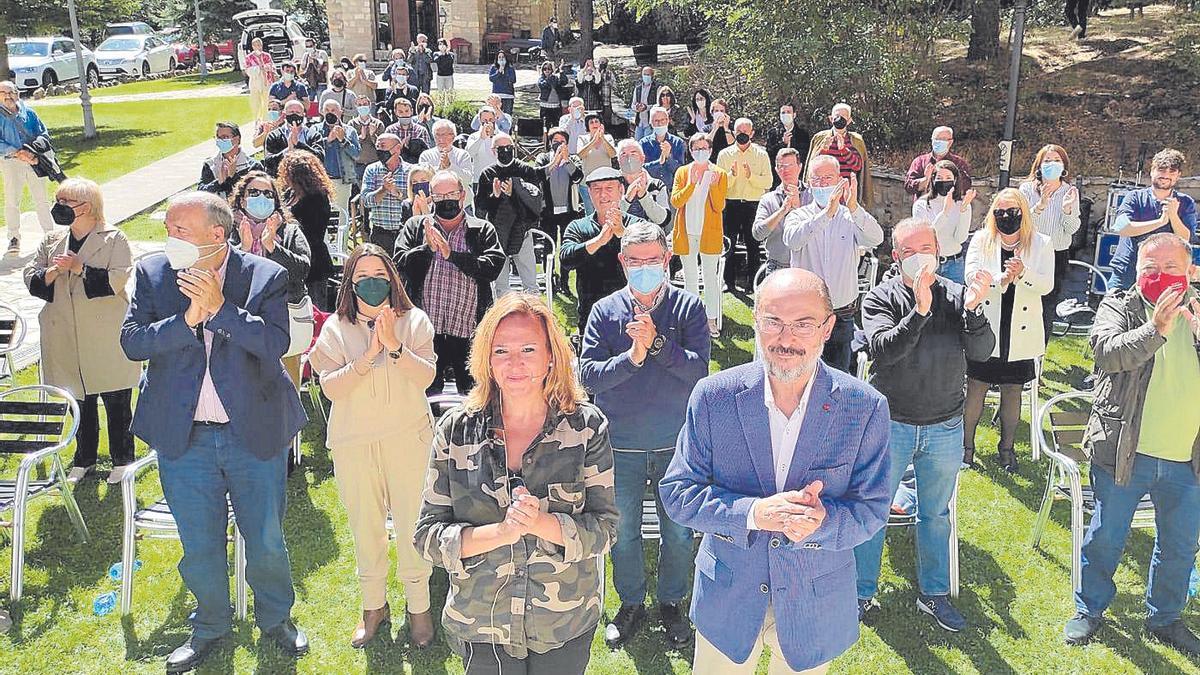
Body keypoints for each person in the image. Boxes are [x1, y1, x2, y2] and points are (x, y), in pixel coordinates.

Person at [660, 268, 892, 675]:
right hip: (728, 601)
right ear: (755, 322)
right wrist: (752, 513)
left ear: (828, 328)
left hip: (813, 604)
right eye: (773, 321)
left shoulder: (864, 407)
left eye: (803, 324)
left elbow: (872, 510)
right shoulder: (713, 398)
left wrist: (823, 521)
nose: (786, 339)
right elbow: (679, 492)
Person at [120, 191, 308, 672]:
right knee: (199, 540)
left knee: (264, 535)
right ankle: (210, 625)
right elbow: (133, 342)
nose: (170, 239)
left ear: (217, 236)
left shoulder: (264, 276)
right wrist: (186, 320)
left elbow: (274, 343)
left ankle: (275, 618)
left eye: (180, 230)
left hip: (253, 432)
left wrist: (221, 309)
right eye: (168, 229)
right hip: (185, 438)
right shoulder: (152, 273)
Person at [414, 292, 617, 674]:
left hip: (562, 623)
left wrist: (542, 524)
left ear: (551, 356)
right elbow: (426, 537)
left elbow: (604, 530)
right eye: (501, 351)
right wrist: (502, 532)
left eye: (528, 349)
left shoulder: (586, 428)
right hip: (482, 624)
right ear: (487, 360)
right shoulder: (457, 430)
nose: (515, 364)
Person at [855, 218, 995, 630]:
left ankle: (933, 594)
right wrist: (918, 312)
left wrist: (973, 310)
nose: (922, 257)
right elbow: (884, 351)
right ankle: (862, 593)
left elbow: (983, 352)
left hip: (945, 426)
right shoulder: (879, 299)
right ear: (897, 257)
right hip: (892, 423)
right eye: (912, 250)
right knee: (874, 510)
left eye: (928, 247)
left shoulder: (955, 296)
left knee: (935, 514)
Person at [1063, 233, 1200, 654]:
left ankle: (1165, 617)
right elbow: (1107, 353)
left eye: (1171, 269)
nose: (1159, 277)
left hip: (1187, 459)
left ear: (1190, 270)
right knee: (1106, 537)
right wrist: (1156, 329)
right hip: (1125, 450)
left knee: (1179, 545)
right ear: (1137, 270)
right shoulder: (1119, 305)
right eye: (1150, 269)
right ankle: (1089, 610)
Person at [578, 220, 710, 649]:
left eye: (654, 260)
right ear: (623, 263)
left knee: (678, 531)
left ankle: (673, 603)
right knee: (625, 532)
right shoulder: (604, 311)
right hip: (621, 446)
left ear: (667, 260)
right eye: (637, 261)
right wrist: (632, 358)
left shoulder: (688, 308)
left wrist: (656, 346)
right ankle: (631, 603)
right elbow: (590, 376)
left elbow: (697, 370)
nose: (646, 268)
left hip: (676, 445)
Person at [308, 243, 437, 649]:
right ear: (350, 283)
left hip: (406, 438)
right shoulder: (334, 328)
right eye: (362, 277)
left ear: (392, 279)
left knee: (412, 524)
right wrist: (368, 356)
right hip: (354, 442)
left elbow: (426, 377)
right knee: (366, 527)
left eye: (379, 276)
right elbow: (331, 387)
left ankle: (419, 607)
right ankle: (373, 606)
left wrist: (395, 347)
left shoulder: (414, 320)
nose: (371, 284)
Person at [23, 178, 139, 484]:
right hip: (64, 332)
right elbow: (31, 277)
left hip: (104, 332)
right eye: (57, 200)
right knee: (79, 400)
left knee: (116, 401)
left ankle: (123, 458)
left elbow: (118, 280)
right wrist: (53, 271)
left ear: (86, 206)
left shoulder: (115, 238)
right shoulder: (52, 240)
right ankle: (84, 458)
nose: (57, 206)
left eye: (65, 201)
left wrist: (79, 269)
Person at [962, 188, 1053, 472]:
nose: (1006, 217)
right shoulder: (981, 239)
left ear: (1023, 213)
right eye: (999, 212)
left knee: (1012, 390)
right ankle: (966, 447)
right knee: (976, 386)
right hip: (988, 324)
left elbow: (1047, 286)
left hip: (1021, 329)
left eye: (1012, 211)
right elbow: (971, 276)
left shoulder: (1041, 243)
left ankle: (1007, 449)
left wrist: (1022, 274)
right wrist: (1000, 280)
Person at [394, 171, 505, 394]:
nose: (446, 201)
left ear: (462, 195)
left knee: (473, 394)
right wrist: (428, 249)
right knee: (424, 392)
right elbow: (399, 265)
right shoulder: (416, 227)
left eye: (451, 194)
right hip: (425, 329)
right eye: (439, 196)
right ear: (431, 199)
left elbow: (492, 267)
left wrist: (451, 255)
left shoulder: (481, 229)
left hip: (467, 327)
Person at [781, 155, 883, 372]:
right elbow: (792, 239)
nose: (822, 184)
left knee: (838, 374)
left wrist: (854, 206)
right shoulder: (798, 216)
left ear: (839, 181)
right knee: (802, 370)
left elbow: (876, 238)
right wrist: (826, 214)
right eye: (816, 179)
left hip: (841, 313)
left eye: (828, 178)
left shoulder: (851, 217)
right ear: (808, 183)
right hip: (804, 313)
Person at [228, 170, 313, 390]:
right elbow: (222, 276)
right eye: (254, 192)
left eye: (267, 193)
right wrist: (243, 250)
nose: (261, 198)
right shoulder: (230, 232)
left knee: (285, 386)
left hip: (282, 318)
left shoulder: (290, 231)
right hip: (242, 319)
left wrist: (273, 247)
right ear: (242, 198)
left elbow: (302, 270)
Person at [562, 168, 650, 328]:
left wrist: (622, 234)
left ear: (621, 190)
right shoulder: (578, 227)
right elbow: (566, 260)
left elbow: (649, 257)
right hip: (591, 316)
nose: (603, 195)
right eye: (597, 189)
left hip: (633, 315)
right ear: (589, 193)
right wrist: (599, 241)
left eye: (609, 188)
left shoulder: (638, 225)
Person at [1109, 148, 1196, 290]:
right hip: (1126, 271)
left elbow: (1185, 238)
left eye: (1172, 171)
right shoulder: (1134, 197)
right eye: (1161, 169)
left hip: (1163, 275)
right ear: (1152, 171)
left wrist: (1173, 216)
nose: (1166, 175)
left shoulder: (1186, 203)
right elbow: (1122, 228)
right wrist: (1161, 222)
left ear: (1178, 175)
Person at [1019, 144, 1081, 339]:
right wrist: (1040, 206)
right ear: (1039, 166)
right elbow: (1022, 224)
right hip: (1030, 253)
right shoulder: (1027, 189)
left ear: (1064, 167)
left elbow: (1071, 229)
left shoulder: (1070, 192)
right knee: (1024, 302)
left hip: (1057, 256)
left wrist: (1067, 210)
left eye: (1056, 161)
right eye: (1047, 161)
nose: (1052, 165)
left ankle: (1039, 354)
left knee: (1047, 306)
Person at [672, 134, 729, 338]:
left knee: (710, 278)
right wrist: (691, 184)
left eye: (704, 148)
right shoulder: (683, 172)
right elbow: (676, 201)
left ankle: (711, 320)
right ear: (691, 150)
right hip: (686, 233)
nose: (700, 151)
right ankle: (691, 320)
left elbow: (719, 206)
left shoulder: (719, 174)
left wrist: (712, 186)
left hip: (709, 234)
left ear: (711, 150)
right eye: (696, 148)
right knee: (690, 278)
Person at [476, 133, 547, 297]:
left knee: (530, 285)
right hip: (497, 234)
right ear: (494, 151)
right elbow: (480, 208)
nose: (505, 151)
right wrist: (494, 196)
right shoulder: (487, 174)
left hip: (523, 232)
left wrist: (513, 193)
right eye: (501, 149)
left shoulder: (526, 170)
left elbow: (535, 204)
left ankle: (534, 318)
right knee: (501, 286)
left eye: (509, 148)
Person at [717, 117, 772, 294]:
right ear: (734, 132)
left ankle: (752, 282)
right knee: (729, 244)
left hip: (753, 205)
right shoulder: (724, 155)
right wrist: (732, 175)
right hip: (731, 204)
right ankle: (729, 283)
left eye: (745, 132)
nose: (742, 135)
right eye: (739, 132)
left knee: (753, 245)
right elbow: (719, 184)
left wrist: (750, 176)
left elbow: (768, 182)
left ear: (752, 133)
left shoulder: (761, 154)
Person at [0, 80, 53, 254]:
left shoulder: (28, 113)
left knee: (42, 199)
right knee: (12, 201)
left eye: (11, 92)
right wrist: (17, 153)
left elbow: (43, 134)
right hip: (11, 162)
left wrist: (32, 152)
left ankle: (49, 235)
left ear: (18, 93)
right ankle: (14, 237)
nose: (8, 96)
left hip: (34, 161)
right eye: (4, 93)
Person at [277, 152, 335, 310]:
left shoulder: (317, 198)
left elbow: (312, 231)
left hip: (314, 261)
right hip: (294, 258)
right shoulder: (290, 194)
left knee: (315, 309)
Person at [911, 160, 976, 284]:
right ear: (933, 180)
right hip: (929, 263)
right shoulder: (922, 205)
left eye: (948, 177)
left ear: (955, 180)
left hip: (954, 264)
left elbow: (960, 238)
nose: (944, 181)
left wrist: (963, 211)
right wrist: (945, 213)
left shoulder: (962, 204)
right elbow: (926, 235)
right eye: (939, 177)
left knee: (955, 301)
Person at [535, 129, 584, 293]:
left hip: (569, 211)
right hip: (548, 211)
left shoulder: (574, 159)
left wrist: (566, 160)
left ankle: (564, 282)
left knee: (566, 247)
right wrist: (554, 162)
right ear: (550, 142)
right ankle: (549, 280)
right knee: (548, 246)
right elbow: (539, 176)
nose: (558, 143)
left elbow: (578, 177)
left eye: (562, 140)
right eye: (555, 140)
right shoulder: (543, 158)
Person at [752, 148, 809, 276]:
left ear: (800, 167)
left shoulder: (813, 196)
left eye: (790, 165)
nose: (786, 170)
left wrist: (798, 207)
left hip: (808, 265)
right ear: (776, 170)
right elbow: (758, 234)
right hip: (777, 266)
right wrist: (782, 211)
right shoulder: (768, 199)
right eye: (781, 166)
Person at [806, 103, 872, 208]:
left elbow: (858, 166)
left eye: (844, 116)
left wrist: (844, 150)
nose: (840, 119)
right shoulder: (820, 138)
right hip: (823, 192)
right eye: (837, 116)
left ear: (849, 120)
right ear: (831, 119)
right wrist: (824, 150)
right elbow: (813, 167)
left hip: (845, 195)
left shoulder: (855, 140)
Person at [362, 133, 412, 253]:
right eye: (377, 146)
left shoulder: (411, 171)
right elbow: (365, 201)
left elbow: (417, 200)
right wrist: (383, 189)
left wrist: (398, 193)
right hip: (380, 233)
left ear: (398, 148)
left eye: (383, 146)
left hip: (406, 233)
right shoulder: (371, 170)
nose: (379, 150)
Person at [313, 100, 362, 213]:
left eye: (333, 110)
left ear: (340, 112)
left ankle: (342, 231)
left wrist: (343, 140)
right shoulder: (315, 130)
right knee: (320, 213)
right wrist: (327, 140)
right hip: (321, 180)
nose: (330, 113)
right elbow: (311, 153)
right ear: (322, 112)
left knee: (342, 212)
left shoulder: (350, 131)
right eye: (327, 110)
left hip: (342, 180)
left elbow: (356, 155)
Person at [903, 126, 972, 202]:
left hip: (951, 207)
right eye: (937, 139)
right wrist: (926, 180)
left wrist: (948, 180)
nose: (939, 142)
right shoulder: (919, 161)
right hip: (924, 209)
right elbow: (909, 187)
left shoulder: (959, 163)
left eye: (943, 139)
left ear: (950, 142)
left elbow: (965, 187)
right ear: (932, 140)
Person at [617, 139, 671, 232]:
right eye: (624, 154)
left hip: (649, 239)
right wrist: (627, 199)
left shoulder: (656, 185)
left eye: (633, 154)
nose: (629, 158)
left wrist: (643, 197)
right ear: (618, 161)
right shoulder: (610, 184)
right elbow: (606, 218)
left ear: (642, 159)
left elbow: (663, 220)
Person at [200, 122, 263, 199]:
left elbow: (254, 193)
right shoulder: (210, 165)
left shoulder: (253, 166)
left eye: (225, 137)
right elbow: (201, 193)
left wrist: (232, 177)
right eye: (218, 137)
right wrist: (218, 182)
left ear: (237, 139)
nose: (221, 140)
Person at [262, 100, 325, 176]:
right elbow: (268, 162)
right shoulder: (274, 135)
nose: (294, 115)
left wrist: (298, 144)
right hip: (282, 179)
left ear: (303, 115)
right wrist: (288, 150)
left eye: (298, 113)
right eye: (291, 112)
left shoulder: (314, 135)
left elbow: (320, 158)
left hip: (308, 180)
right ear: (284, 115)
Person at [420, 119, 475, 203]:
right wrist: (440, 168)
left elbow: (468, 179)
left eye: (445, 135)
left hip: (463, 203)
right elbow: (425, 181)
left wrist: (450, 166)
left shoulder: (463, 155)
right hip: (436, 203)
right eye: (437, 135)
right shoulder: (426, 156)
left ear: (453, 136)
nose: (441, 139)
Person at [576, 113, 617, 212]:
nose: (594, 124)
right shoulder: (582, 138)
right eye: (591, 122)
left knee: (607, 211)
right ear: (588, 126)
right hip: (587, 184)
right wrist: (593, 141)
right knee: (590, 212)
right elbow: (580, 154)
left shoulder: (608, 138)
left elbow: (612, 154)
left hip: (605, 183)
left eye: (596, 121)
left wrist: (602, 139)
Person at [765, 103, 812, 188]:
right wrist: (783, 144)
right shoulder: (772, 133)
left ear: (794, 115)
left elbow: (804, 155)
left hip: (797, 176)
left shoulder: (803, 134)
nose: (786, 115)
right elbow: (769, 154)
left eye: (788, 112)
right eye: (783, 113)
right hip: (777, 178)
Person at [640, 106, 687, 186]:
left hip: (671, 189)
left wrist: (668, 157)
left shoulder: (678, 143)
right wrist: (659, 162)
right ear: (651, 122)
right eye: (656, 121)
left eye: (662, 120)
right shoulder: (643, 143)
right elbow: (641, 169)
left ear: (667, 121)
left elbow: (681, 171)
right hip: (651, 189)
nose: (660, 123)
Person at [349, 94, 385, 183]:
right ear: (356, 107)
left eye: (365, 104)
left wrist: (373, 135)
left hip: (374, 163)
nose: (362, 107)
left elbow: (383, 146)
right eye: (360, 105)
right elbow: (349, 145)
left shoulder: (378, 124)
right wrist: (361, 137)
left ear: (369, 105)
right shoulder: (352, 124)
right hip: (358, 164)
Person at [243, 38, 277, 122]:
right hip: (255, 81)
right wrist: (259, 68)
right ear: (253, 46)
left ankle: (267, 119)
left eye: (260, 45)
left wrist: (267, 68)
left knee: (267, 101)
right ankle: (257, 120)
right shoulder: (249, 57)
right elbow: (248, 70)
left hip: (266, 81)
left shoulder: (266, 55)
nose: (259, 47)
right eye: (256, 45)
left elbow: (272, 66)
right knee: (255, 102)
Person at [467, 106, 501, 183]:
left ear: (495, 119)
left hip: (498, 179)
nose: (488, 123)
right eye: (485, 120)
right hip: (479, 179)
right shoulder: (473, 137)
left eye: (491, 120)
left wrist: (493, 137)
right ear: (480, 120)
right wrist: (481, 138)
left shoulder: (502, 136)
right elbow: (469, 154)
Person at [537, 60, 570, 138]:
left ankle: (555, 142)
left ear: (552, 70)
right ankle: (545, 143)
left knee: (556, 126)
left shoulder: (556, 78)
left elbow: (564, 82)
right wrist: (551, 77)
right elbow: (544, 85)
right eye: (545, 69)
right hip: (545, 106)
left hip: (556, 106)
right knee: (545, 126)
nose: (547, 71)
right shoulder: (541, 79)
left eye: (549, 69)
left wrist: (561, 71)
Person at [630, 67, 659, 141]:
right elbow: (632, 104)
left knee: (647, 144)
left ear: (652, 76)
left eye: (648, 75)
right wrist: (637, 107)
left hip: (650, 123)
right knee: (637, 144)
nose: (646, 76)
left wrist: (646, 107)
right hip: (639, 122)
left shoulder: (656, 88)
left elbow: (658, 105)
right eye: (644, 74)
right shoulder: (638, 88)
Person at [433, 39, 456, 105]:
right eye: (440, 44)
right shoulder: (436, 54)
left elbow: (450, 61)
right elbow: (437, 61)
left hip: (449, 76)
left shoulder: (450, 54)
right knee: (440, 92)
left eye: (443, 44)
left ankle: (450, 105)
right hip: (440, 76)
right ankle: (441, 104)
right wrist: (442, 54)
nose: (442, 46)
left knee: (450, 92)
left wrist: (446, 54)